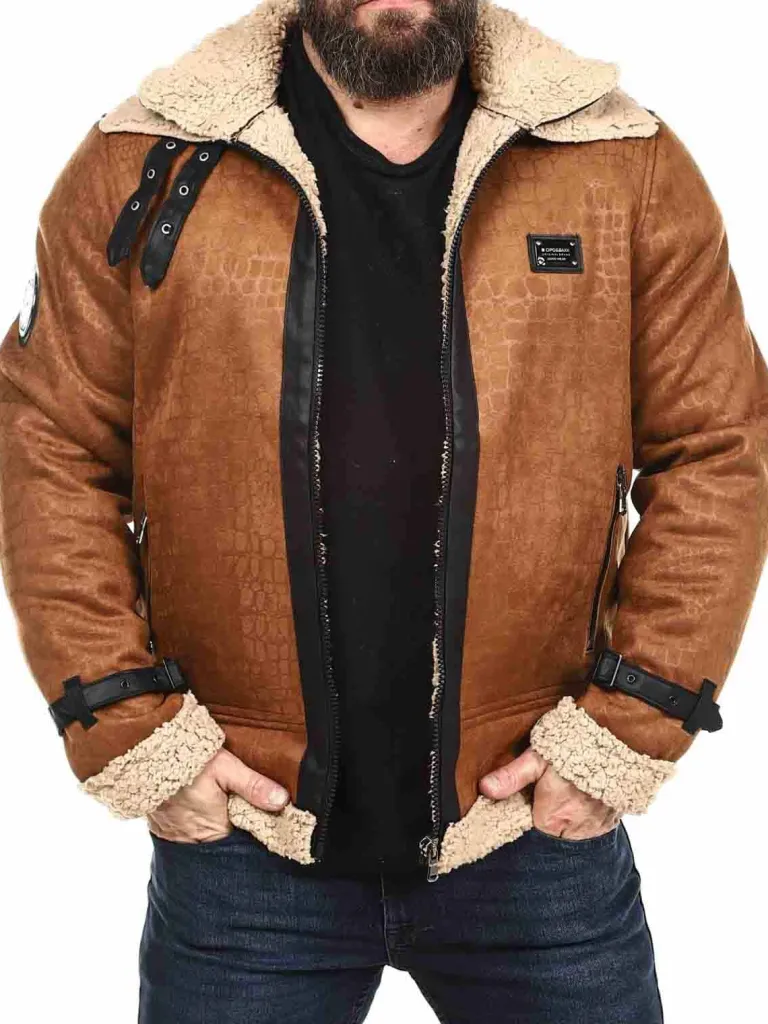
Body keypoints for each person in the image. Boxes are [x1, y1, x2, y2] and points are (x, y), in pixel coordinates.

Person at [1, 0, 766, 1020]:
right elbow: (48, 448)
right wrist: (136, 732)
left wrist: (623, 734)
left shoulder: (621, 164)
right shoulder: (143, 157)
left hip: (533, 831)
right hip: (247, 847)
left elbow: (719, 448)